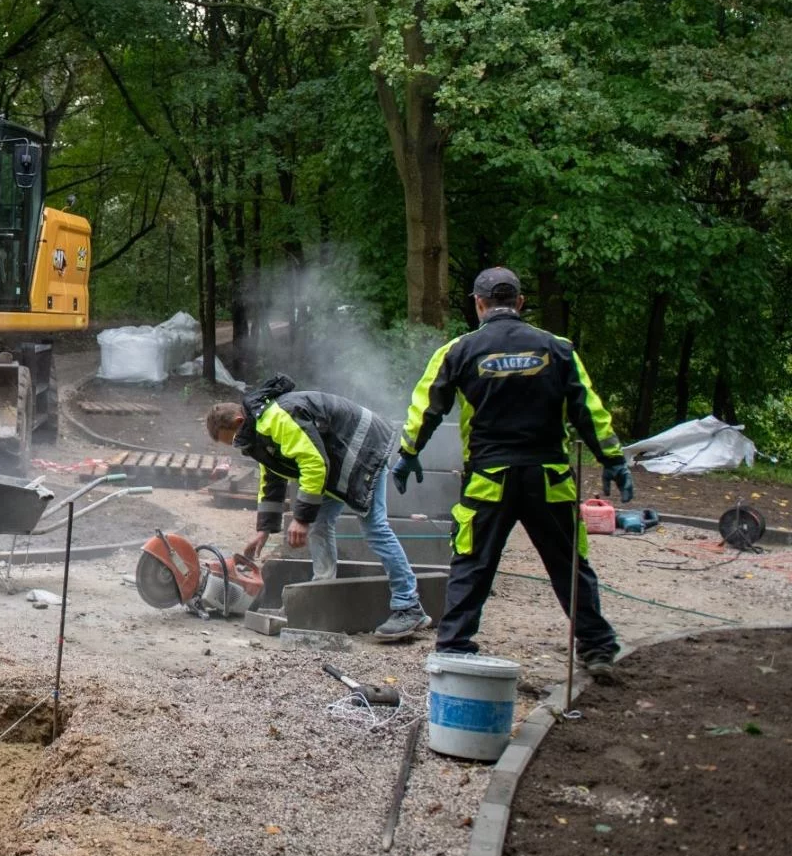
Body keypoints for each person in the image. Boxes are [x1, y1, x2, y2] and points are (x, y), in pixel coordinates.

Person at [395, 266, 631, 678]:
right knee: (569, 565)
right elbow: (588, 410)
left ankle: (454, 649)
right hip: (550, 478)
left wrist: (408, 451)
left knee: (471, 563)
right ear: (519, 303)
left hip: (490, 480)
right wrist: (613, 459)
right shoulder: (557, 349)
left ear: (478, 304)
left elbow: (427, 405)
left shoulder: (459, 350)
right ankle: (596, 647)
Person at [206, 375, 431, 640]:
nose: (235, 446)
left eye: (231, 439)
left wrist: (301, 518)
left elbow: (314, 464)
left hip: (363, 448)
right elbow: (273, 477)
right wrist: (264, 529)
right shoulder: (259, 428)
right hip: (337, 460)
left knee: (375, 528)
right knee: (321, 525)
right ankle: (320, 593)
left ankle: (409, 606)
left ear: (239, 422)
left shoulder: (277, 418)